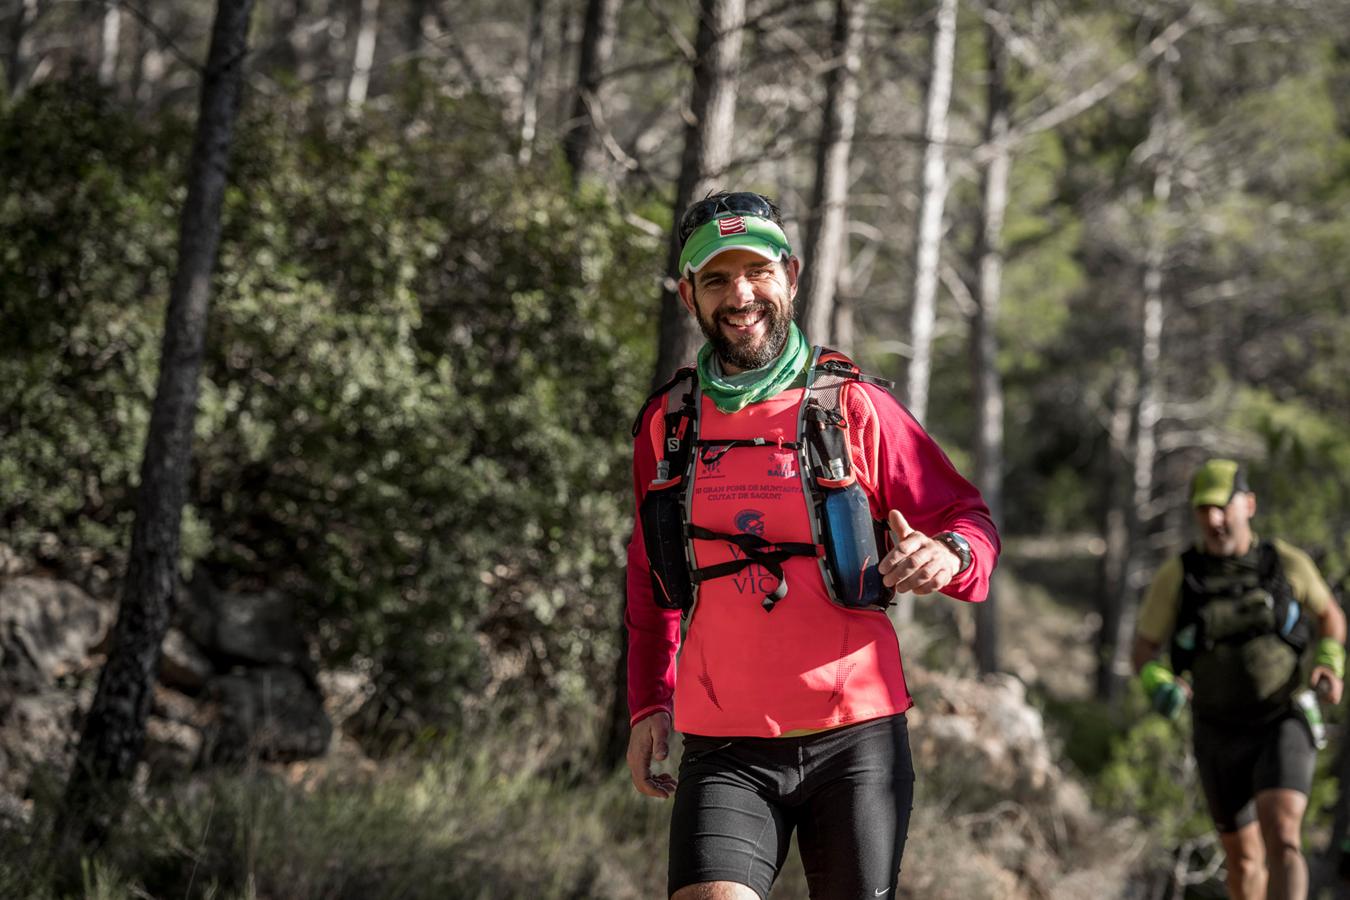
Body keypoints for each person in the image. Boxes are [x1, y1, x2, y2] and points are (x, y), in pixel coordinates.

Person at [623, 190, 1000, 900]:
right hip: (724, 745)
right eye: (716, 279)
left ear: (790, 277)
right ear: (688, 295)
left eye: (758, 272)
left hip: (854, 740)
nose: (741, 295)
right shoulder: (667, 425)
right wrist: (650, 702)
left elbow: (968, 518)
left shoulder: (854, 407)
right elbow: (650, 578)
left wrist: (948, 555)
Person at [1132, 458, 1346, 900]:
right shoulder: (1180, 576)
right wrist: (1159, 685)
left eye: (1222, 507)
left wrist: (1328, 661)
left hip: (1281, 718)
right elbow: (1143, 651)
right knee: (1244, 858)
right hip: (1217, 731)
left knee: (1284, 832)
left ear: (1248, 505)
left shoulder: (1283, 563)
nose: (1213, 519)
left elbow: (1330, 617)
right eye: (1202, 509)